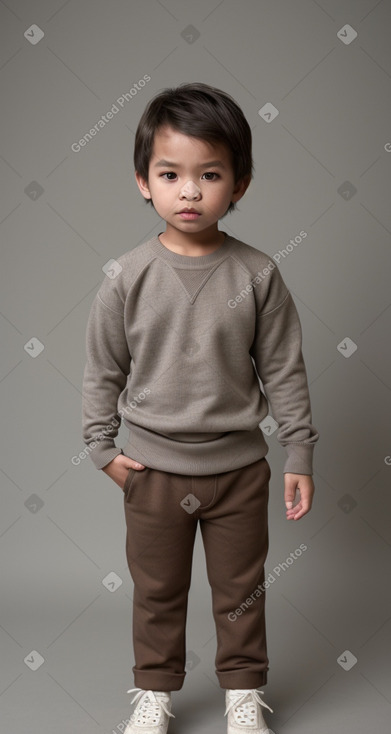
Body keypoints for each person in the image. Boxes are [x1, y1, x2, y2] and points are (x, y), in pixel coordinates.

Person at [81, 82, 319, 734]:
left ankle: (242, 693)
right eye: (171, 174)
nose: (189, 191)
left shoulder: (259, 275)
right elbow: (103, 369)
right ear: (142, 182)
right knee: (157, 593)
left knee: (240, 594)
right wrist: (103, 450)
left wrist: (298, 450)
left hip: (238, 472)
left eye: (209, 174)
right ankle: (154, 692)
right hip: (152, 473)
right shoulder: (124, 277)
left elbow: (282, 369)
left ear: (238, 184)